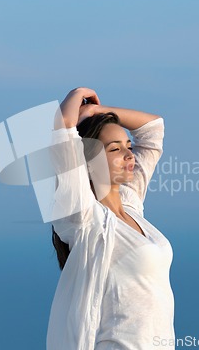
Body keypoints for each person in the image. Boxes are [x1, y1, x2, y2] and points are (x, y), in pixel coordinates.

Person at [47, 87, 175, 349]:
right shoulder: (84, 218)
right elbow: (62, 130)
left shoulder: (130, 205)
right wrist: (78, 93)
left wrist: (97, 111)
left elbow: (153, 129)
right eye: (115, 150)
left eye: (128, 147)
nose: (129, 156)